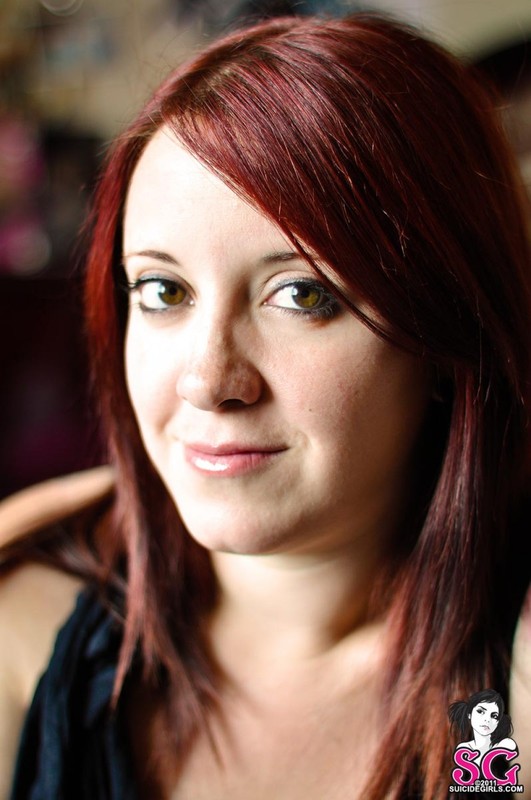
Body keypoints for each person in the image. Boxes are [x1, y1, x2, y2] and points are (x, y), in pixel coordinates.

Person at [0, 12, 530, 800]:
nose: (207, 380)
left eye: (302, 294)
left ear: (446, 335)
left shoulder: (497, 707)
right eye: (163, 290)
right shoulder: (28, 617)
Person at [449, 689, 517, 762]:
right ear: (469, 714)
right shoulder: (464, 748)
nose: (487, 719)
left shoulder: (506, 744)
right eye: (480, 711)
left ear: (498, 722)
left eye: (494, 716)